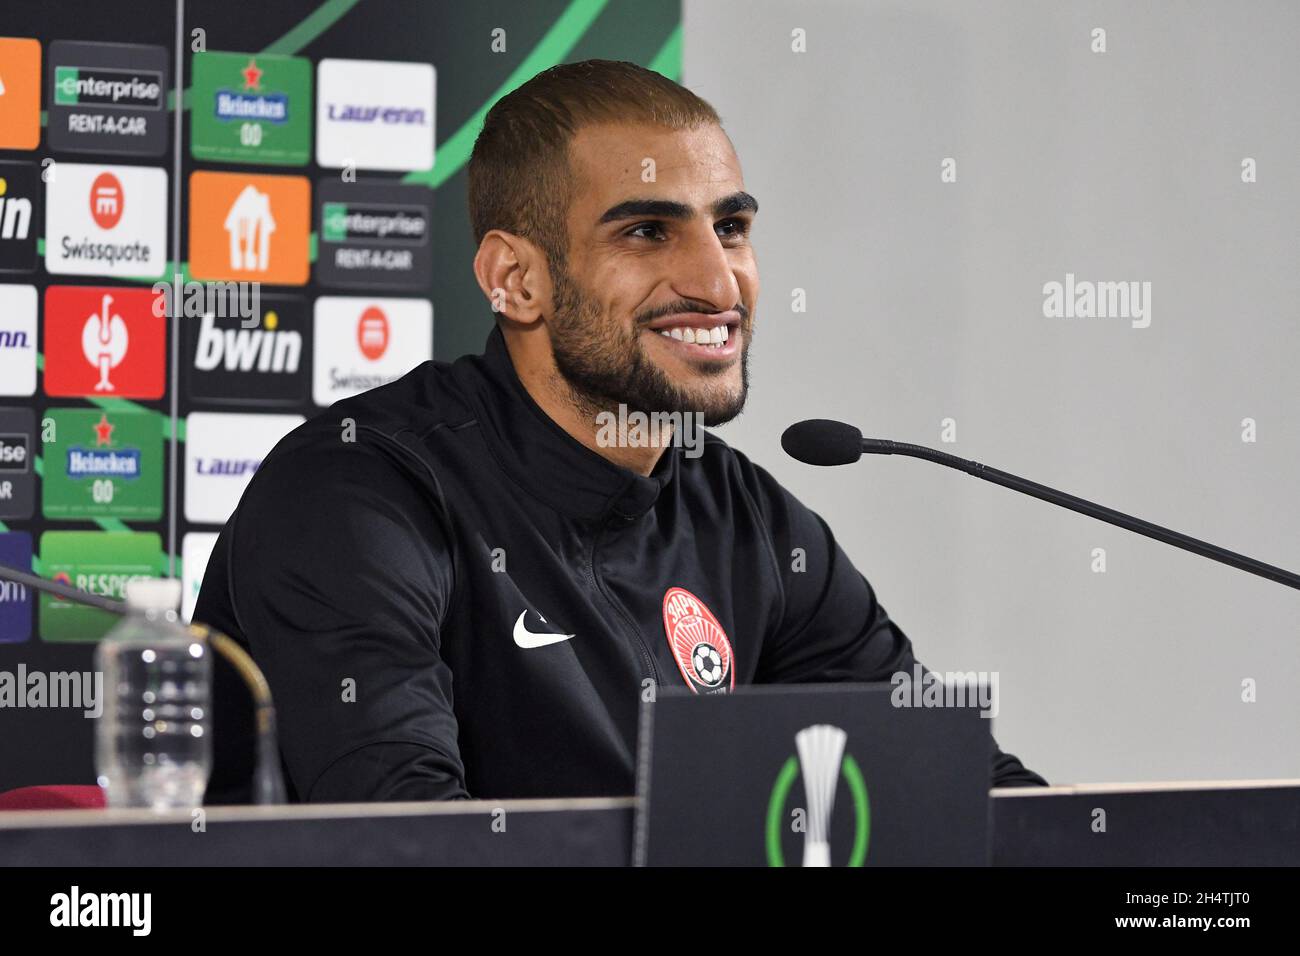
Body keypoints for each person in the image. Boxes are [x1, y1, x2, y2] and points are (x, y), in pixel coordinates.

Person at [195, 59, 1045, 803]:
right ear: (515, 279)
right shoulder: (356, 494)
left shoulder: (747, 513)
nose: (719, 282)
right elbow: (415, 842)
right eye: (647, 231)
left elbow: (968, 794)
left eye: (732, 228)